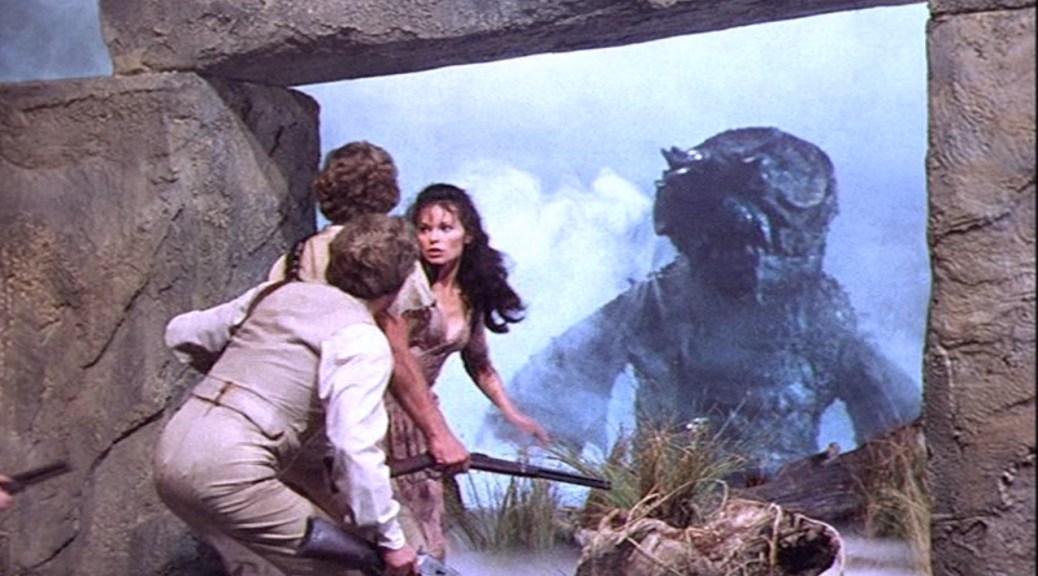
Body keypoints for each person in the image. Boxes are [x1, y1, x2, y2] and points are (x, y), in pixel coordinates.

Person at [486, 127, 922, 478]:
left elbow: (901, 436)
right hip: (668, 507)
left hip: (790, 511)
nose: (753, 259)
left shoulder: (824, 319)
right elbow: (543, 406)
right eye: (735, 240)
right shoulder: (656, 303)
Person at [154, 214, 421, 576]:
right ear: (400, 283)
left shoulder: (274, 294)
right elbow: (354, 445)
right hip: (234, 468)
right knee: (354, 570)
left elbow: (183, 333)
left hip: (173, 448)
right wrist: (392, 541)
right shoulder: (361, 338)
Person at [268, 141, 469, 474]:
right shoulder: (390, 257)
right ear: (387, 194)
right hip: (355, 423)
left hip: (288, 420)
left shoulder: (295, 257)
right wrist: (439, 435)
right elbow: (397, 350)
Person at [389, 183, 550, 558]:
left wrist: (513, 414)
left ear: (468, 234)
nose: (433, 239)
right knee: (393, 531)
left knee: (434, 531)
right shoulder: (406, 287)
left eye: (445, 228)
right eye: (425, 229)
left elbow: (479, 363)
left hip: (421, 419)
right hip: (383, 412)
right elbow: (393, 358)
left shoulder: (468, 296)